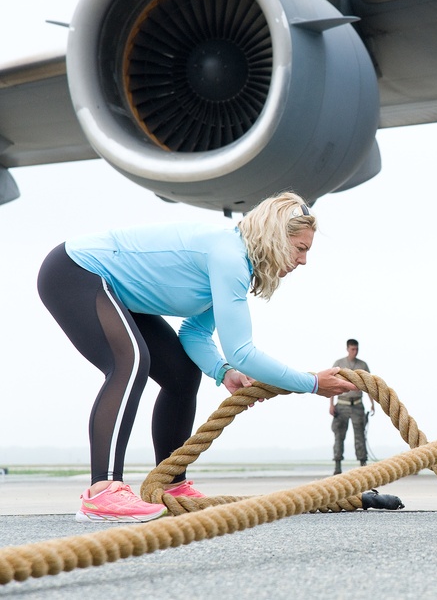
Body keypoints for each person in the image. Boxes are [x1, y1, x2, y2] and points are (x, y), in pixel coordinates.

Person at [36, 191, 357, 523]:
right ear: (276, 237)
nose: (303, 260)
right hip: (74, 273)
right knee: (130, 363)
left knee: (181, 374)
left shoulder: (238, 263)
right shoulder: (229, 256)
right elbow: (243, 352)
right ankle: (102, 491)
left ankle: (171, 485)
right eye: (301, 248)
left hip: (114, 291)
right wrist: (313, 383)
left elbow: (194, 333)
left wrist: (222, 370)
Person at [329, 339, 375, 474]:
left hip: (357, 404)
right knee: (339, 435)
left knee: (360, 436)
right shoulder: (339, 364)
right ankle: (337, 466)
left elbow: (370, 386)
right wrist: (331, 405)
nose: (354, 352)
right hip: (342, 404)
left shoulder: (362, 365)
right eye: (352, 349)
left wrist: (372, 404)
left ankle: (362, 464)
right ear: (347, 349)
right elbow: (331, 384)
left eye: (356, 349)